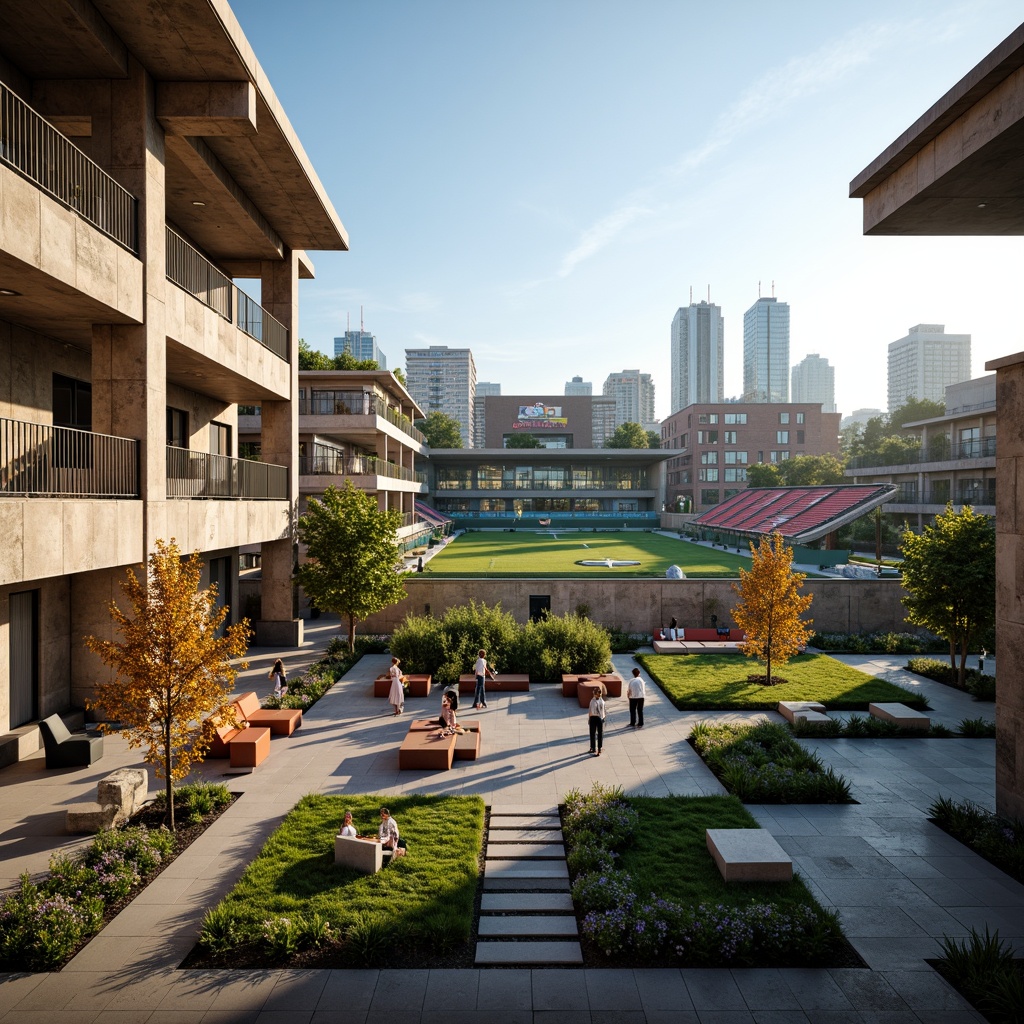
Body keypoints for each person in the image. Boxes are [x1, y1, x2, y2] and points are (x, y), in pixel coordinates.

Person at [587, 686, 606, 757]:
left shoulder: (592, 701)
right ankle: (599, 748)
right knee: (600, 734)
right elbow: (604, 711)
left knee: (593, 733)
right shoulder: (602, 701)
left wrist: (589, 718)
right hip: (600, 718)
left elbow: (590, 711)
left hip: (593, 718)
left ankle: (593, 747)